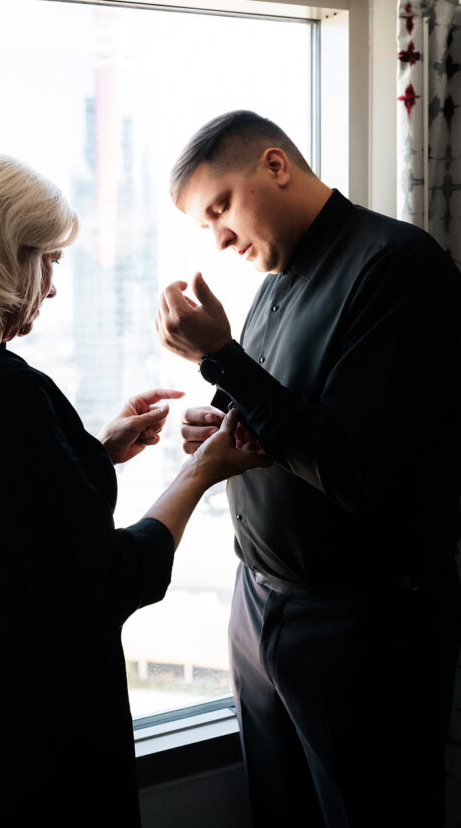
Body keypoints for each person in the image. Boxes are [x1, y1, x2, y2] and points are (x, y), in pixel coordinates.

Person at [0, 154, 266, 828]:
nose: (50, 288)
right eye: (46, 260)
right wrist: (200, 473)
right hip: (14, 743)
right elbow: (103, 580)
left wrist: (94, 452)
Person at [156, 110, 461, 827]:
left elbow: (356, 471)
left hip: (362, 624)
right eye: (204, 227)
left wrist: (222, 357)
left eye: (219, 208)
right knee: (279, 813)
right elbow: (278, 418)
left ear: (274, 166)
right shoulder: (274, 283)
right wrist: (218, 417)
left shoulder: (395, 267)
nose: (219, 237)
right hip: (261, 605)